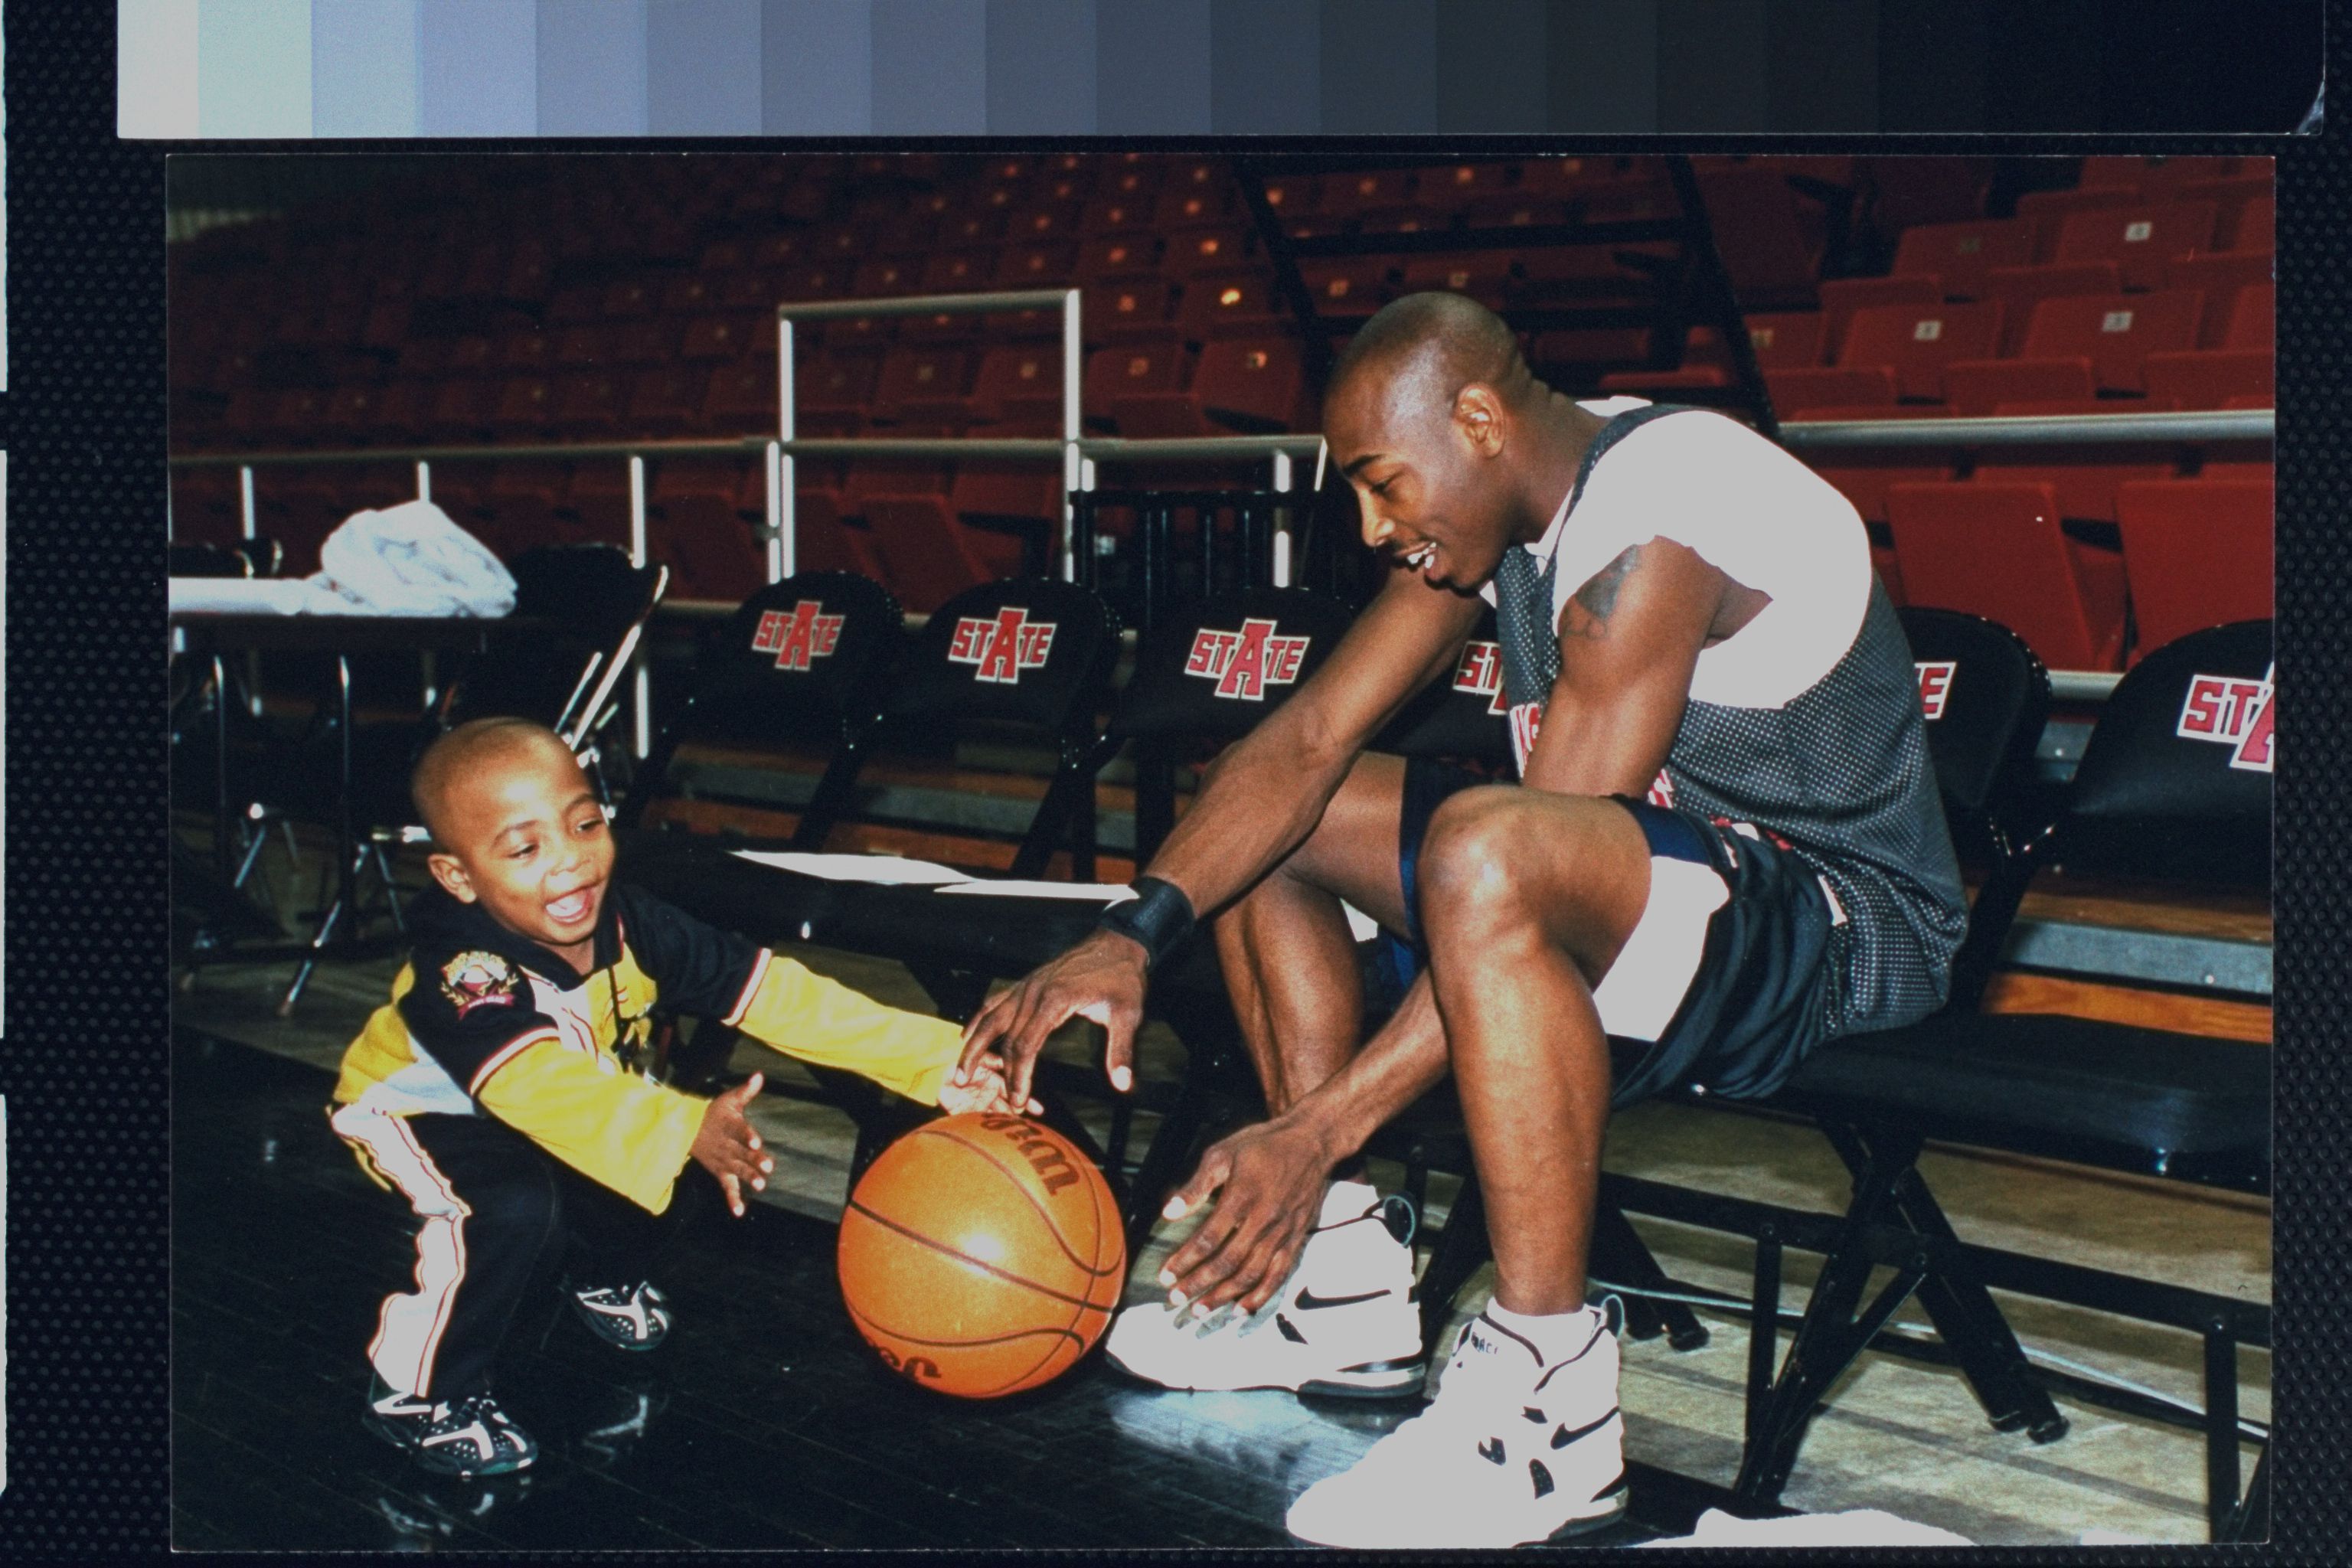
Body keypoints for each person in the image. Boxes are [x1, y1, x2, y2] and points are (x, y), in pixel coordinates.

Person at [956, 292, 1965, 1547]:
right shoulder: (1509, 510)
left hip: (1838, 923)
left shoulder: (1662, 518)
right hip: (1667, 895)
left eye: (1386, 485)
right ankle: (1337, 1286)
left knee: (1489, 844)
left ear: (1478, 419)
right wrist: (1131, 931)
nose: (1380, 528)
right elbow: (1307, 742)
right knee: (1266, 812)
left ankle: (1548, 1407)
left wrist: (1313, 1128)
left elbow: (1537, 854)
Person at [332, 717, 1024, 1478]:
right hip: (423, 1111)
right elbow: (534, 1087)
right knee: (511, 1207)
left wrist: (938, 1061)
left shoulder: (632, 921)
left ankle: (597, 1271)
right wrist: (679, 1124)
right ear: (458, 876)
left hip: (565, 1099)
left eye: (585, 823)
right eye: (525, 849)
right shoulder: (464, 969)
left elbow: (775, 992)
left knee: (683, 1156)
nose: (569, 861)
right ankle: (420, 1395)